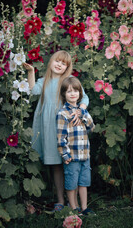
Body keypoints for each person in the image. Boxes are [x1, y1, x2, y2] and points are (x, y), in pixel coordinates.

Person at [23, 50, 89, 211]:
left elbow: (84, 97)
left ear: (67, 67)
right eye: (57, 61)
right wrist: (30, 71)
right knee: (56, 165)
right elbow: (33, 90)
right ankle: (60, 201)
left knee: (70, 163)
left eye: (64, 63)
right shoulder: (44, 80)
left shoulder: (68, 81)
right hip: (49, 126)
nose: (59, 65)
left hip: (66, 126)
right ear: (51, 61)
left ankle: (73, 202)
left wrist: (80, 110)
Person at [56, 76, 95, 215]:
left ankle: (84, 208)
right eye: (69, 91)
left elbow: (91, 127)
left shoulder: (82, 111)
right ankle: (74, 208)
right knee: (71, 183)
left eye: (76, 91)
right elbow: (61, 137)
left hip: (85, 155)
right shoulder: (62, 113)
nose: (73, 94)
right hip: (72, 156)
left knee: (83, 182)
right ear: (64, 94)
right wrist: (65, 154)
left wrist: (82, 114)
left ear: (80, 93)